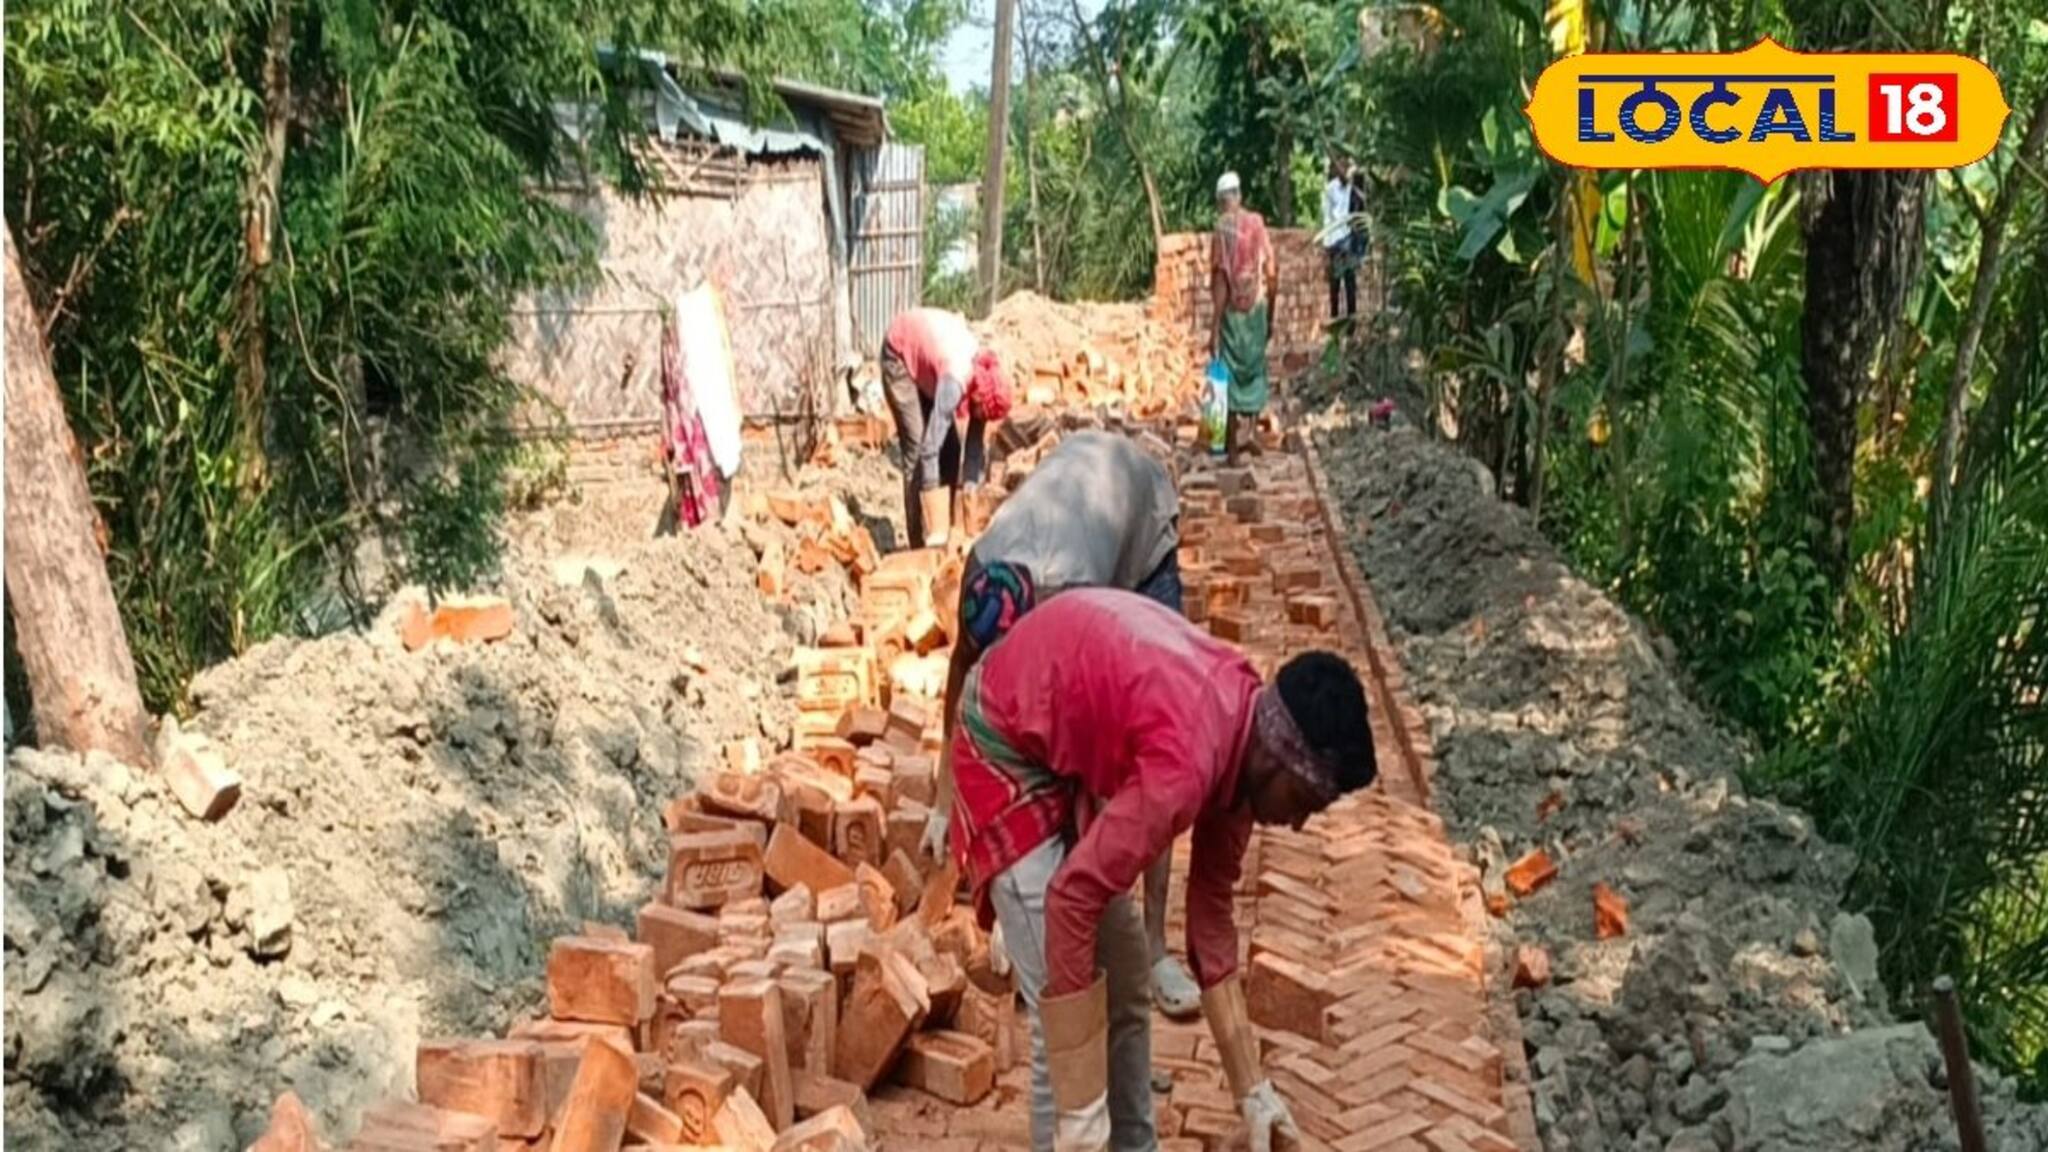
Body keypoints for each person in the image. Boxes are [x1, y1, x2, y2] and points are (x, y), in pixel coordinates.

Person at [948, 589, 1378, 1152]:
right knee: (1063, 1032)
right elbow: (1071, 899)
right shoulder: (1188, 763)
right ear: (1278, 757)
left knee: (1125, 988)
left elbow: (1212, 924)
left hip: (1054, 736)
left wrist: (1254, 1090)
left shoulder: (1244, 743)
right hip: (1003, 740)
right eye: (1303, 801)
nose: (1296, 823)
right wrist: (1080, 1113)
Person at [920, 429, 1205, 1021]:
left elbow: (1089, 768)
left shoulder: (1077, 612)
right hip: (1074, 504)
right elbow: (962, 688)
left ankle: (1151, 948)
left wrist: (1051, 902)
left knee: (1156, 751)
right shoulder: (984, 568)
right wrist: (946, 805)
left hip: (1139, 516)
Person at [880, 307, 1011, 547]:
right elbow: (929, 449)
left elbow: (972, 448)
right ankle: (920, 541)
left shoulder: (983, 385)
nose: (979, 419)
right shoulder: (956, 381)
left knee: (951, 448)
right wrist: (935, 522)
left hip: (931, 363)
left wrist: (970, 493)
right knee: (919, 447)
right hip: (899, 353)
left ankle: (948, 525)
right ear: (978, 397)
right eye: (981, 413)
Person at [1208, 173, 1277, 465]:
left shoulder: (1222, 230)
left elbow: (1222, 280)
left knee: (1232, 374)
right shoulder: (1257, 224)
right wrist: (1271, 311)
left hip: (1234, 315)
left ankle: (1233, 448)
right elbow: (1272, 269)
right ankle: (1249, 437)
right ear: (1239, 195)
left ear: (1220, 201)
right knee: (1254, 369)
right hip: (1258, 309)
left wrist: (1214, 328)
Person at [1322, 156, 1358, 323]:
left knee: (1350, 281)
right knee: (1335, 281)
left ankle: (1352, 319)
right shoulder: (1330, 189)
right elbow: (1327, 217)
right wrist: (1326, 244)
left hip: (1349, 239)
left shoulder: (1353, 188)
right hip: (1336, 240)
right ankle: (1335, 316)